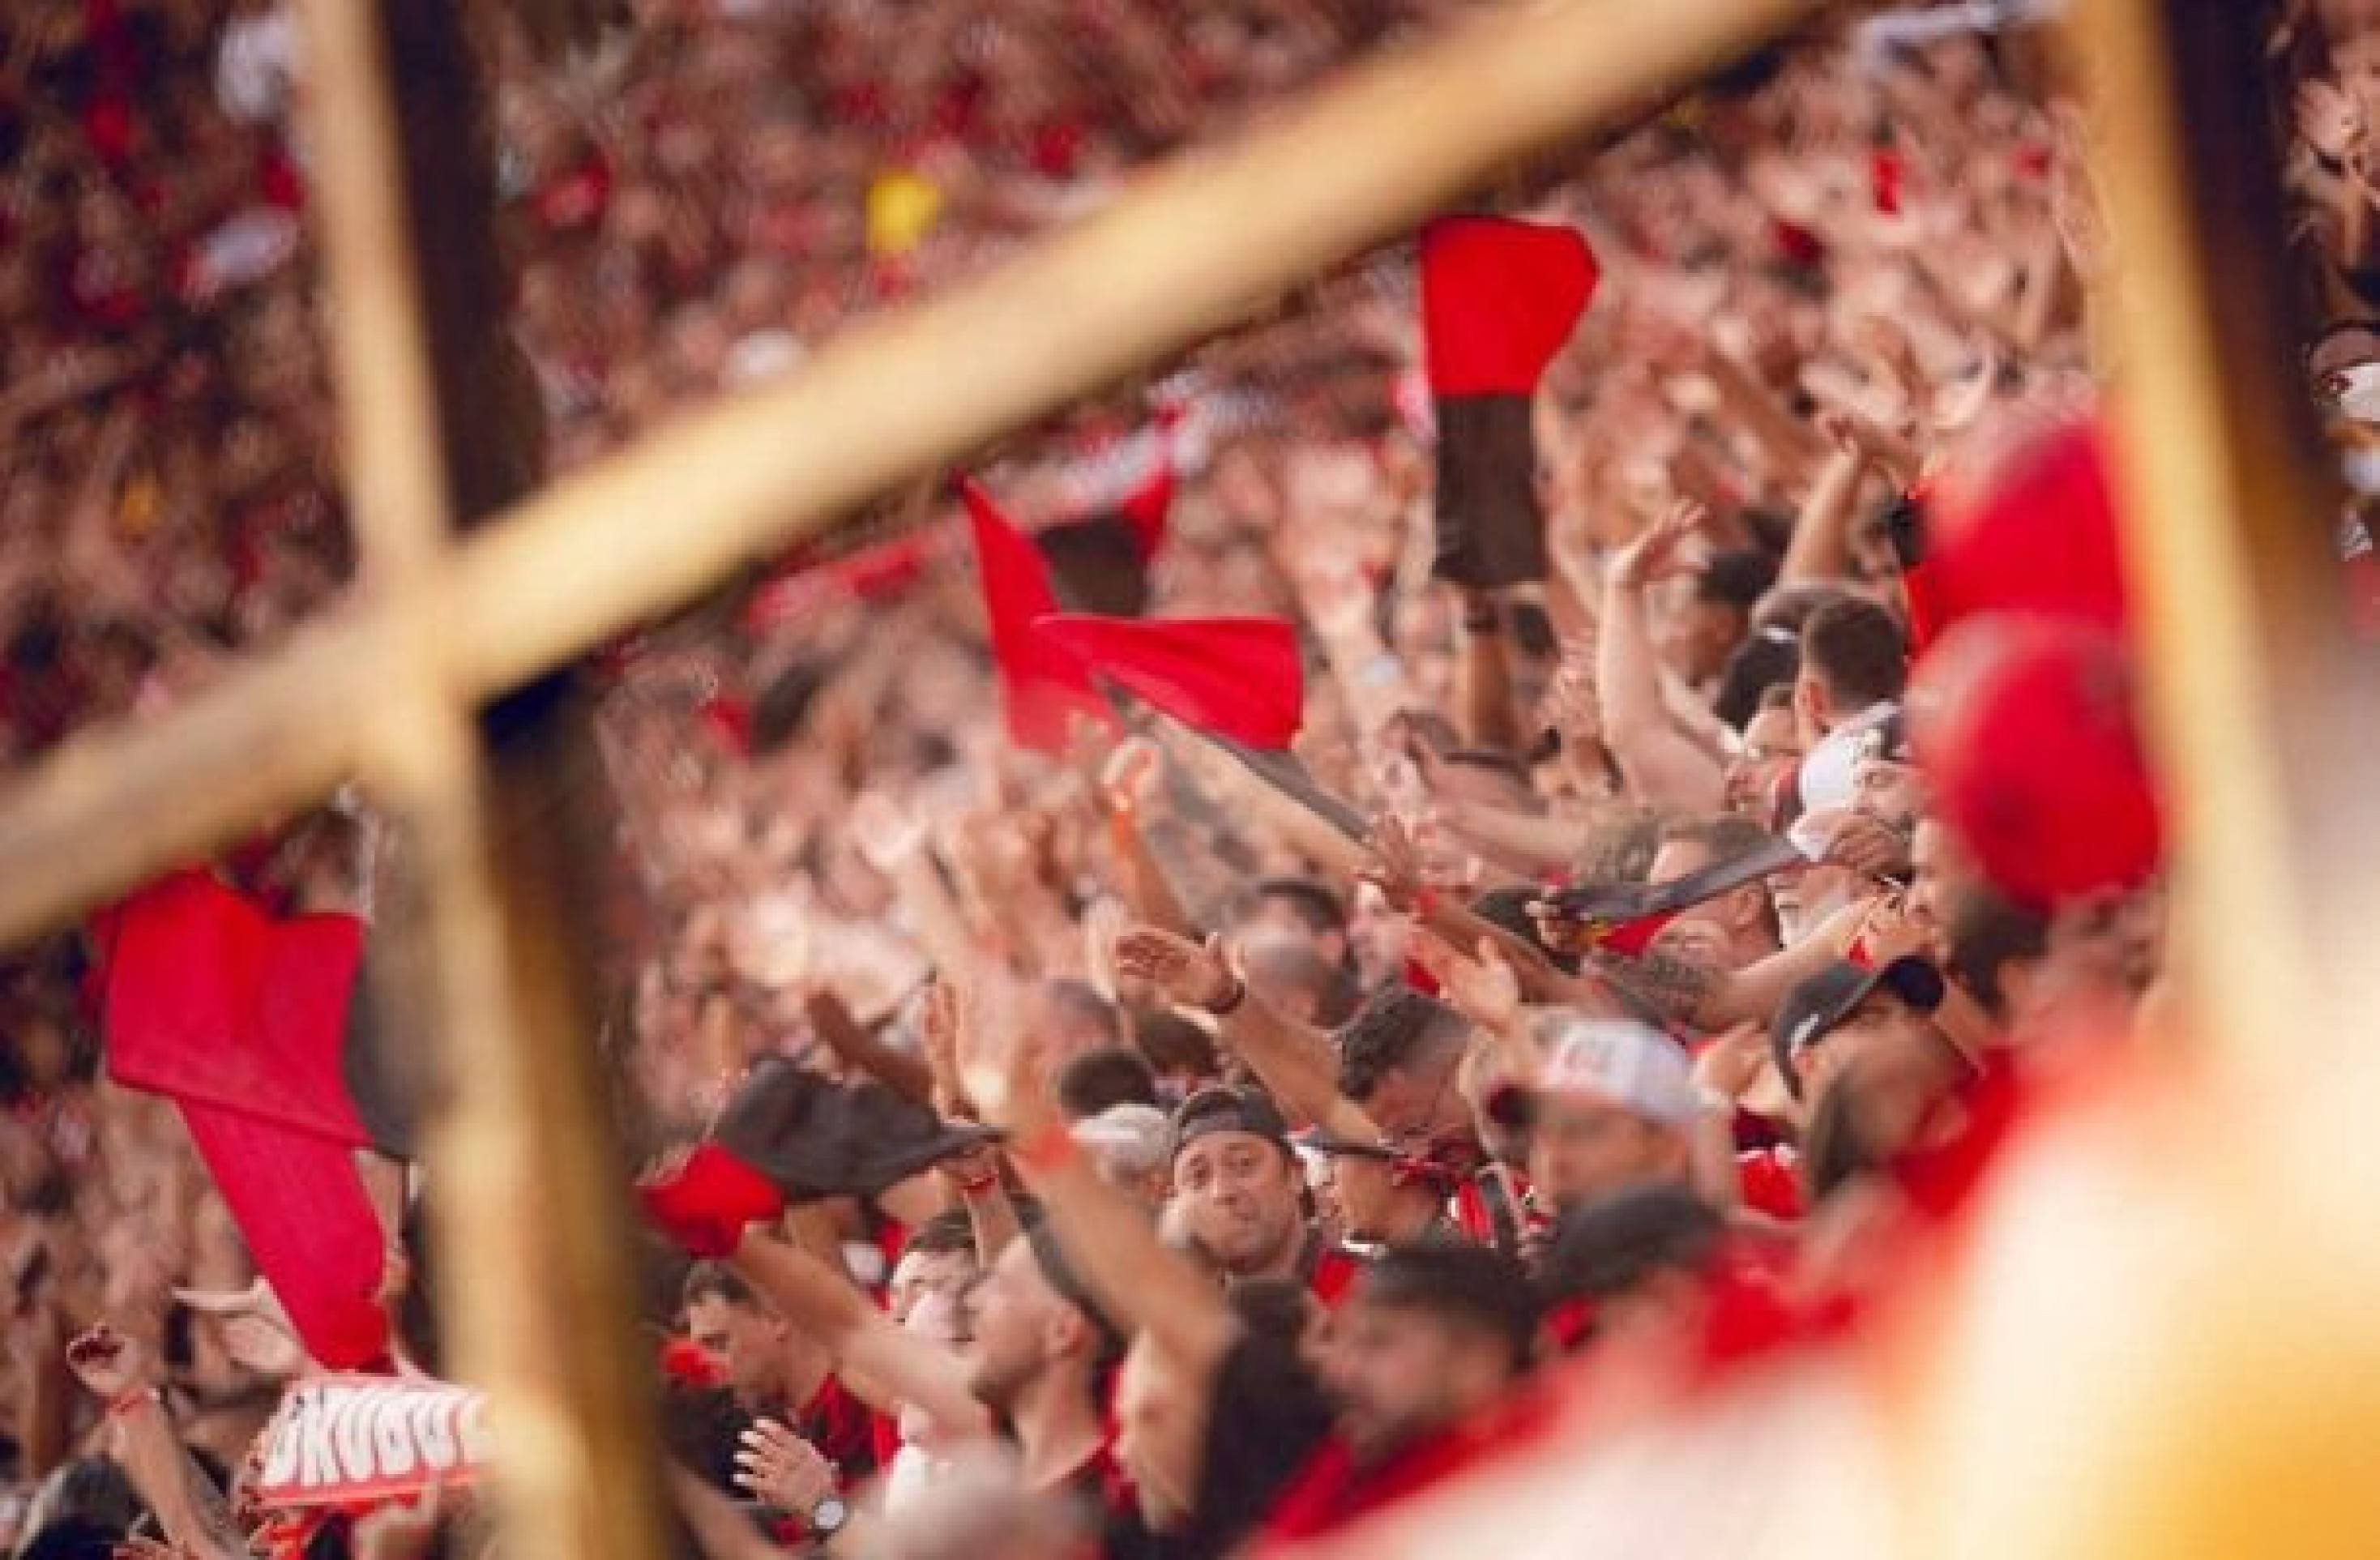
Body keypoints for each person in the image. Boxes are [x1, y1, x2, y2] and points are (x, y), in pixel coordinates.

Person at [681, 1263, 882, 1493]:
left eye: (719, 1343)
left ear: (777, 1318)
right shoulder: (753, 1427)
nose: (707, 1362)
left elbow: (850, 1516)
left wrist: (820, 1506)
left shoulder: (871, 1406)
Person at [1165, 1087, 1357, 1302]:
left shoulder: (1365, 1294)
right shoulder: (1179, 1312)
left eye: (1243, 1164)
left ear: (1295, 1174)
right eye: (1199, 1176)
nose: (1221, 1192)